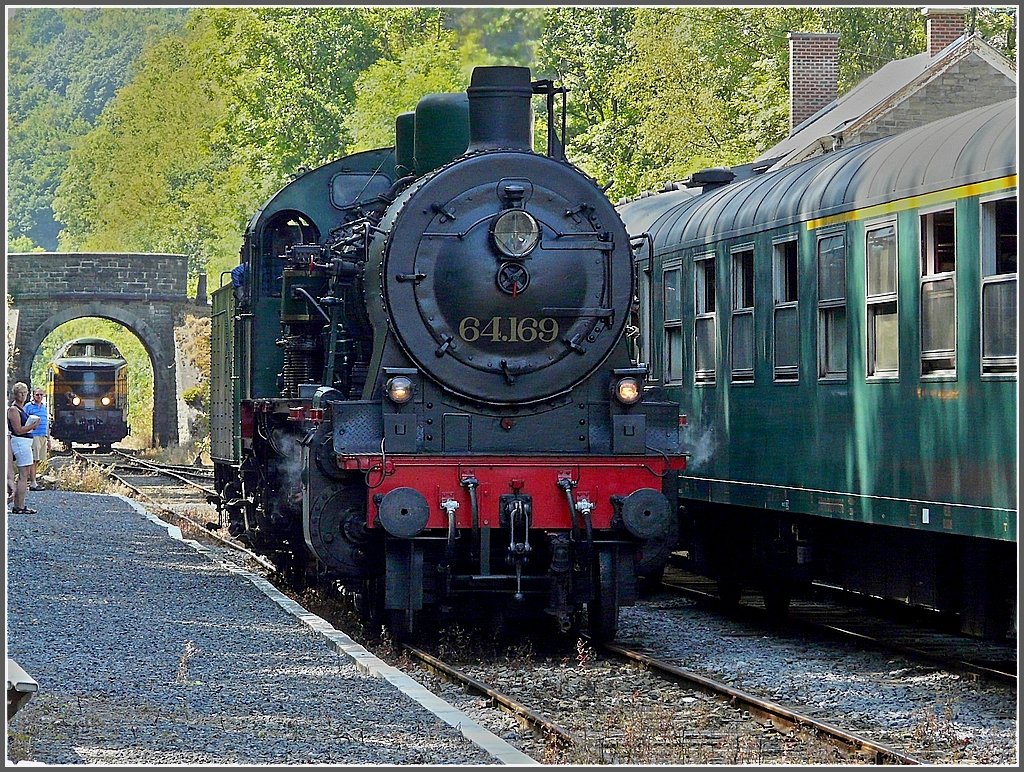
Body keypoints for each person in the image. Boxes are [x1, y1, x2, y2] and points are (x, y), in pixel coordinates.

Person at [7, 382, 38, 514]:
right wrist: (33, 425)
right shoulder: (13, 410)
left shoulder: (22, 409)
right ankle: (19, 506)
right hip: (20, 442)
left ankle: (19, 504)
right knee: (23, 475)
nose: (23, 395)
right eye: (21, 393)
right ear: (16, 394)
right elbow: (18, 430)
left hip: (25, 442)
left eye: (25, 393)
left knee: (24, 474)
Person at [24, 386, 50, 491]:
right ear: (33, 395)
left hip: (43, 435)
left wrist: (48, 439)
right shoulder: (28, 406)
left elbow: (47, 422)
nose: (39, 397)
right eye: (37, 395)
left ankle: (32, 479)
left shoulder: (44, 407)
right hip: (34, 435)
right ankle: (33, 483)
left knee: (38, 459)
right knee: (33, 459)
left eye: (41, 395)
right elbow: (24, 420)